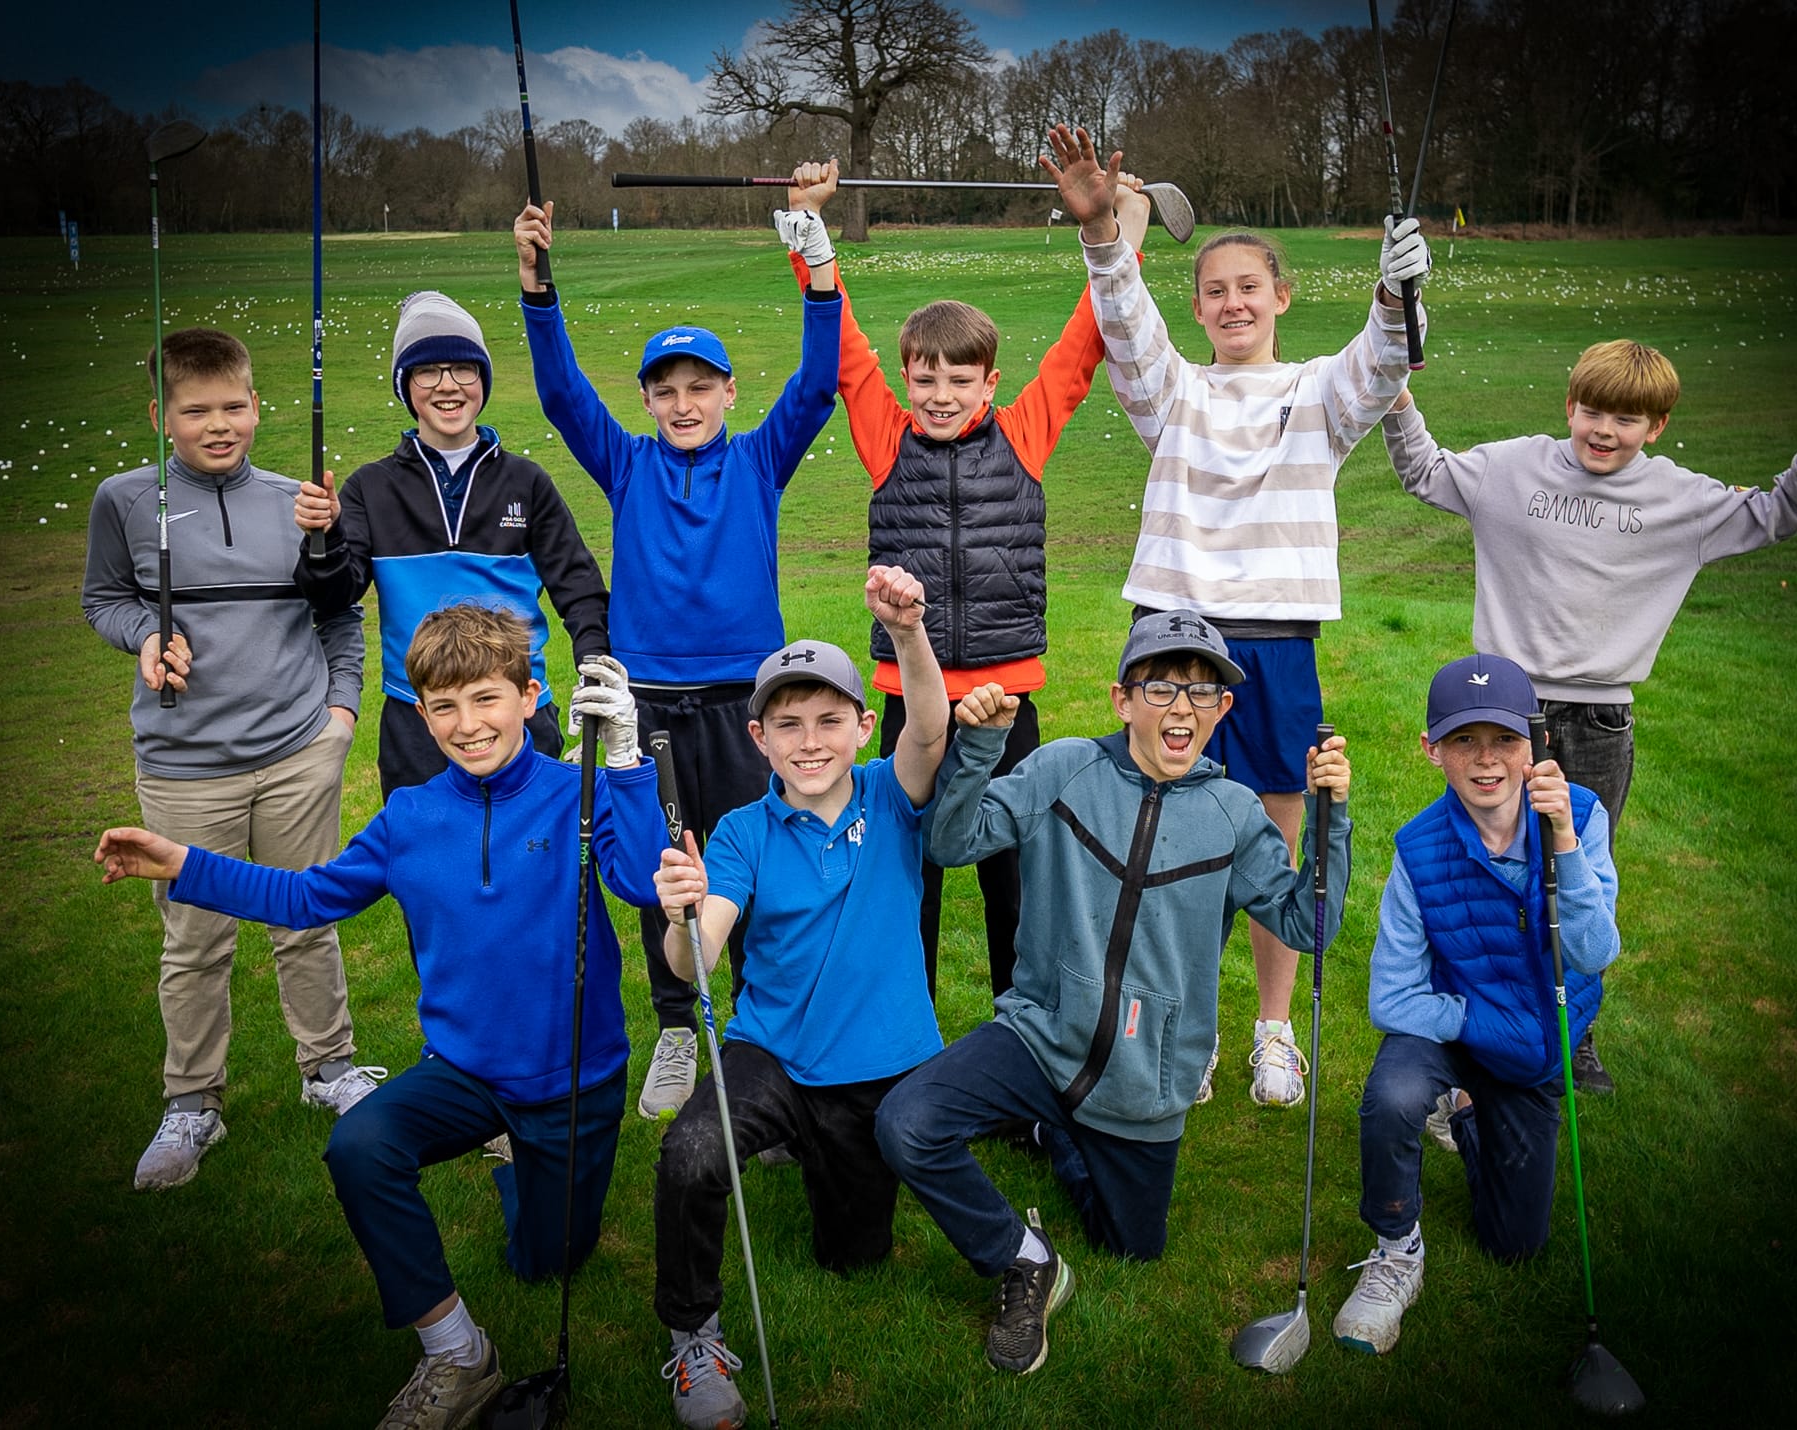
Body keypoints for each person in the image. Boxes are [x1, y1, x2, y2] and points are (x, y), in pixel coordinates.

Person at [95, 603, 668, 1429]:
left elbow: (649, 885)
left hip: (572, 1083)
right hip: (463, 1072)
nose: (467, 726)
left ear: (531, 695)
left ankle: (517, 1164)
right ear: (421, 713)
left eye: (486, 700)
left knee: (544, 1260)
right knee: (359, 1145)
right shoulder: (409, 817)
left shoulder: (574, 792)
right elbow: (304, 895)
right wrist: (182, 862)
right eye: (444, 707)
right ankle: (457, 1353)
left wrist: (625, 766)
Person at [1046, 124, 1426, 1108]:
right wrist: (1101, 238)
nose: (1231, 302)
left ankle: (1270, 1029)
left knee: (1269, 846)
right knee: (1161, 842)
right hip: (1173, 637)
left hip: (1275, 639)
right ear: (1200, 305)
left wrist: (1396, 290)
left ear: (1281, 297)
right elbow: (1126, 330)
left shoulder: (1320, 393)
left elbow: (1384, 362)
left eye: (1248, 287)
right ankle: (1183, 1024)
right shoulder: (1174, 395)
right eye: (1213, 290)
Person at [1382, 354, 1797, 1091]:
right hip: (1506, 710)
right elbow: (1424, 470)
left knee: (1578, 875)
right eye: (1592, 411)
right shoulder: (1511, 470)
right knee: (1489, 875)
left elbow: (1778, 513)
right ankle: (1473, 1037)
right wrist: (1396, 402)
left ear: (1658, 426)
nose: (1604, 431)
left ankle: (1573, 1035)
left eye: (1626, 419)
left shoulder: (1681, 499)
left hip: (1601, 721)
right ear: (1569, 405)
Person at [874, 611, 1352, 1375]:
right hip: (1039, 1036)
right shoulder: (1064, 767)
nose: (1183, 709)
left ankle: (1055, 1134)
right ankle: (1024, 1258)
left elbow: (1308, 922)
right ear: (1122, 699)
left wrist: (1330, 819)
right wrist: (983, 747)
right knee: (907, 1123)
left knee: (1130, 1247)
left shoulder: (1234, 815)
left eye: (1203, 695)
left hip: (1146, 1077)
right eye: (1162, 687)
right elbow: (951, 841)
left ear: (1224, 712)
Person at [773, 134, 1151, 1008]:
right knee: (907, 879)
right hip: (912, 699)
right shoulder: (885, 435)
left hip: (1006, 702)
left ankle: (1019, 1046)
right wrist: (809, 230)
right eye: (926, 378)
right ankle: (900, 1042)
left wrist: (1116, 230)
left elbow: (1084, 343)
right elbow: (845, 349)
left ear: (991, 383)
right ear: (907, 380)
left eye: (960, 379)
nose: (941, 394)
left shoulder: (1024, 432)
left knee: (1014, 879)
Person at [514, 175, 843, 1123]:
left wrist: (819, 272)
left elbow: (818, 382)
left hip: (748, 703)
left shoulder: (759, 457)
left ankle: (752, 1035)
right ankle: (672, 1024)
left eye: (702, 386)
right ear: (650, 398)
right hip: (649, 704)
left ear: (730, 393)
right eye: (667, 388)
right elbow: (560, 393)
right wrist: (540, 291)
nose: (684, 401)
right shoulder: (625, 461)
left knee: (748, 863)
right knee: (668, 869)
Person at [83, 326, 381, 1192]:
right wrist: (145, 634)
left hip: (297, 750)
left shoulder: (299, 501)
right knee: (195, 938)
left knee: (307, 918)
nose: (219, 425)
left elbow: (341, 614)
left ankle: (327, 1067)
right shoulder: (125, 501)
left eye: (234, 407)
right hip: (183, 764)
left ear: (257, 405)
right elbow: (103, 598)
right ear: (160, 415)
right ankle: (192, 1102)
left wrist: (339, 718)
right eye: (195, 410)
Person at [649, 567, 947, 1430]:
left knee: (854, 1259)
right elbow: (696, 958)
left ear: (862, 727)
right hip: (771, 1055)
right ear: (759, 737)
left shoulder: (896, 795)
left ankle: (810, 1156)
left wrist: (909, 633)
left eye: (828, 721)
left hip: (881, 1068)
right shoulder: (741, 831)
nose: (809, 742)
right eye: (788, 725)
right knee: (694, 1152)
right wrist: (682, 916)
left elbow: (927, 728)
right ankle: (691, 1333)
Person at [1329, 653, 1620, 1356]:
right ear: (1432, 751)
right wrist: (1476, 1023)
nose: (1486, 761)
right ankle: (1396, 1248)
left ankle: (1464, 1115)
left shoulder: (1579, 815)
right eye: (1464, 740)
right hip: (1456, 1021)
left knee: (1514, 1245)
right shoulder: (1417, 848)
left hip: (1536, 1043)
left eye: (1504, 741)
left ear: (1535, 747)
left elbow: (1591, 952)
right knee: (1394, 1094)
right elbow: (1391, 996)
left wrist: (1567, 847)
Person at [293, 289, 611, 801]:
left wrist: (595, 666)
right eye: (428, 371)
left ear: (482, 379)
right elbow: (332, 595)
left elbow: (579, 587)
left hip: (518, 710)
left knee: (535, 864)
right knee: (429, 869)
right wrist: (324, 537)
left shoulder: (526, 481)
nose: (448, 386)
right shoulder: (369, 489)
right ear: (405, 384)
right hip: (419, 719)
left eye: (464, 369)